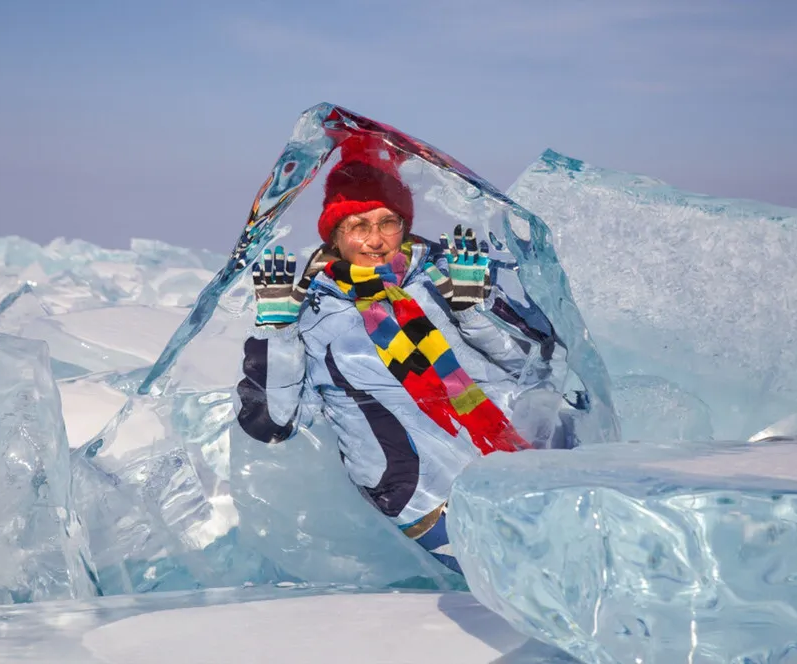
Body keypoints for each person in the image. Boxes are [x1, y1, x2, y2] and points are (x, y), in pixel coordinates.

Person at [234, 136, 566, 574]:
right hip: (425, 497)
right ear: (334, 235)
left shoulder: (449, 275)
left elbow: (542, 367)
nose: (375, 240)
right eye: (357, 225)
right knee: (529, 583)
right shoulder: (311, 312)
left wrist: (475, 314)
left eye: (387, 222)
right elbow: (274, 424)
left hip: (528, 462)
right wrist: (277, 332)